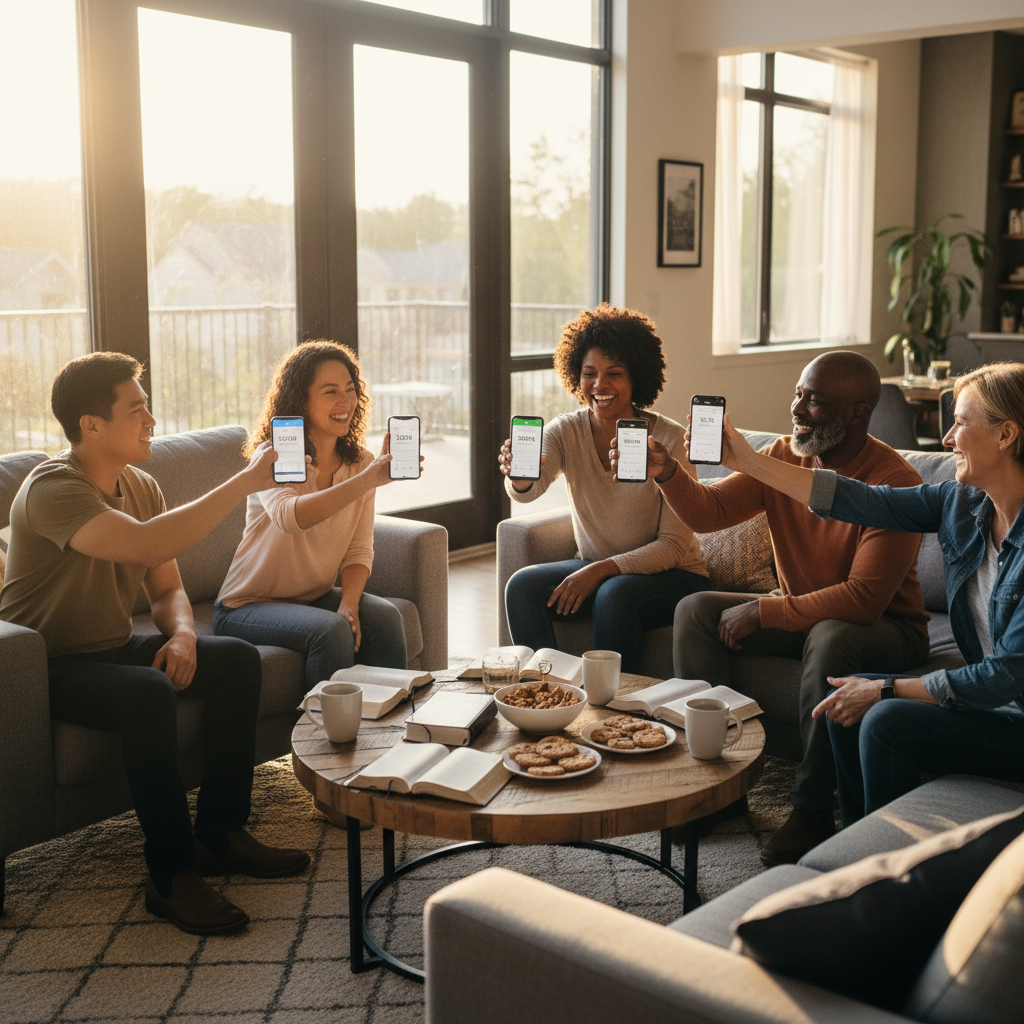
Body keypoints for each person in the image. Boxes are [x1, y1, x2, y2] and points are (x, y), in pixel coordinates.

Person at [0, 352, 310, 936]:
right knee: (146, 694)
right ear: (90, 424)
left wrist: (187, 634)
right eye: (137, 408)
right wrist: (245, 479)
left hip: (113, 646)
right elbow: (144, 544)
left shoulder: (140, 484)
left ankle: (219, 832)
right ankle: (170, 876)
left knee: (237, 660)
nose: (151, 419)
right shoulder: (52, 489)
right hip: (45, 665)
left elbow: (166, 586)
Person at [618, 351, 930, 865]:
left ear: (856, 412)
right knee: (696, 610)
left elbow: (864, 598)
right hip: (809, 612)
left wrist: (765, 612)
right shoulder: (784, 458)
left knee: (831, 635)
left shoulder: (894, 481)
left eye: (814, 399)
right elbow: (709, 512)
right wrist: (667, 472)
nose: (798, 408)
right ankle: (718, 786)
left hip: (885, 627)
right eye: (798, 393)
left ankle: (810, 810)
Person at [708, 362, 1024, 827]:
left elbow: (1003, 676)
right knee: (844, 702)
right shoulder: (963, 504)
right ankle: (855, 843)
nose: (947, 439)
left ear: (1006, 435)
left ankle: (887, 866)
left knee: (879, 716)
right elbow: (863, 499)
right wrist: (750, 461)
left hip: (1012, 714)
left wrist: (886, 688)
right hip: (990, 704)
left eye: (960, 422)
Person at [500, 304, 712, 674]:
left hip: (674, 576)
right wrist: (518, 475)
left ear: (637, 379)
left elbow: (675, 546)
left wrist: (600, 571)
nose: (600, 385)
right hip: (600, 569)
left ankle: (610, 714)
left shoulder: (670, 440)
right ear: (575, 377)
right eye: (589, 374)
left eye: (614, 374)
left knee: (615, 594)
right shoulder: (566, 430)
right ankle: (547, 690)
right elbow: (529, 489)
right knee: (522, 587)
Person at [214, 341, 409, 688]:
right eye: (330, 391)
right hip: (244, 606)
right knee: (332, 630)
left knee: (384, 616)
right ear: (300, 400)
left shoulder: (360, 463)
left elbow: (359, 549)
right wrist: (367, 481)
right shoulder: (270, 459)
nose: (345, 402)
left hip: (311, 596)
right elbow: (290, 517)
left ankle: (396, 728)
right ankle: (322, 740)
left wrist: (349, 602)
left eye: (350, 390)